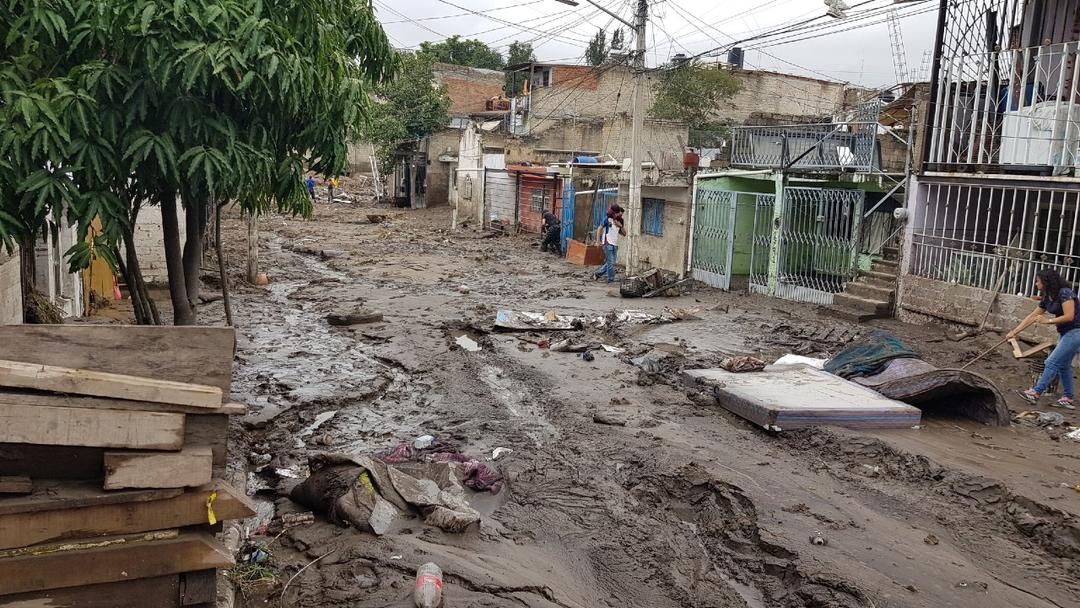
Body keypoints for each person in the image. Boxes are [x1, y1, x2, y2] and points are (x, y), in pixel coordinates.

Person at [1008, 268, 1080, 409]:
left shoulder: (1065, 293)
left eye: (1038, 281)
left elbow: (1069, 316)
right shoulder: (1048, 297)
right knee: (1063, 365)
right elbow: (1032, 316)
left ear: (1046, 282)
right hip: (1066, 333)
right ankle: (1068, 397)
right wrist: (1014, 332)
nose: (1036, 284)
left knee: (1051, 362)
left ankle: (1035, 392)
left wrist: (1048, 321)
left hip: (1075, 332)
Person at [593, 204, 625, 283]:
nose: (619, 215)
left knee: (611, 263)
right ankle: (611, 280)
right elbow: (600, 228)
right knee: (611, 263)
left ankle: (597, 274)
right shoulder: (607, 219)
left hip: (615, 244)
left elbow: (624, 234)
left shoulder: (620, 221)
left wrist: (621, 226)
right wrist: (598, 241)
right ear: (615, 213)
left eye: (621, 214)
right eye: (618, 213)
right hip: (607, 243)